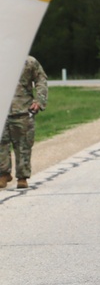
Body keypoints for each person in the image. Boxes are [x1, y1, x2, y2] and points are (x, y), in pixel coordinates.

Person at [0, 56, 48, 189]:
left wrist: (39, 101)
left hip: (23, 109)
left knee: (23, 145)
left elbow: (41, 79)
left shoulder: (28, 62)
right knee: (1, 144)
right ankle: (3, 174)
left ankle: (22, 177)